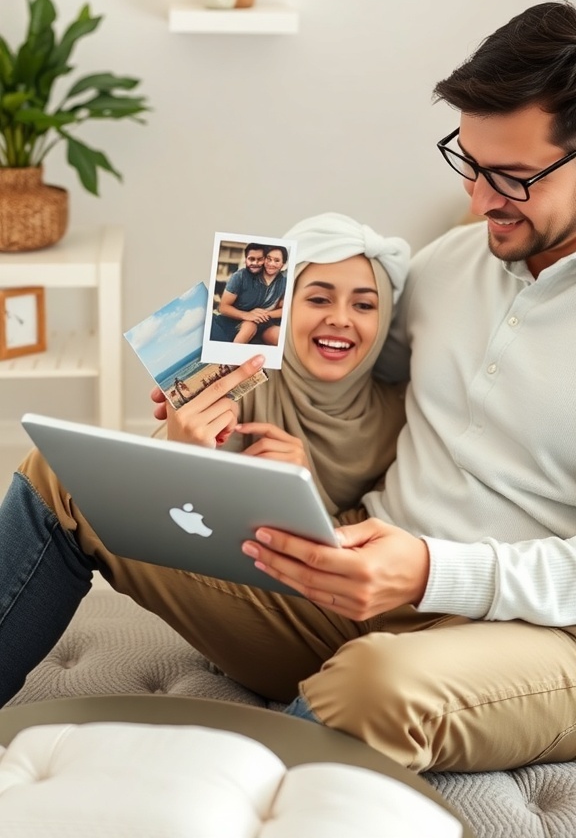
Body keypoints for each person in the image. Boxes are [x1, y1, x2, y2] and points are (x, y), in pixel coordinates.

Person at [3, 0, 576, 776]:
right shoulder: (448, 265)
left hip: (531, 633)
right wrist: (214, 401)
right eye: (468, 164)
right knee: (71, 473)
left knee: (374, 684)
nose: (478, 201)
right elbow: (335, 372)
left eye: (510, 178)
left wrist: (433, 571)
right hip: (354, 573)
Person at [0, 213, 409, 703]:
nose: (340, 317)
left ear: (384, 319)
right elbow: (170, 514)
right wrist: (183, 449)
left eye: (364, 304)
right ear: (284, 308)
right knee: (59, 468)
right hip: (248, 605)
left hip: (348, 631)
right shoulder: (241, 381)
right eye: (318, 298)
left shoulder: (405, 417)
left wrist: (305, 495)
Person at [210, 242, 287, 345]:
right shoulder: (243, 276)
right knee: (250, 326)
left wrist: (264, 314)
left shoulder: (283, 282)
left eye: (277, 260)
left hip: (264, 322)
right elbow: (223, 307)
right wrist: (248, 315)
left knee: (280, 335)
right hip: (241, 322)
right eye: (269, 259)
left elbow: (285, 308)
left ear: (283, 264)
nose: (271, 263)